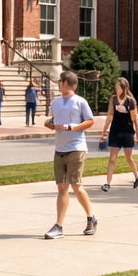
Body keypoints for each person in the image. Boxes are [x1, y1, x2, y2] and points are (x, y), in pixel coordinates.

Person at [44, 69, 97, 239]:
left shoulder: (80, 102)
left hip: (77, 148)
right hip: (59, 149)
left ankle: (91, 218)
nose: (59, 84)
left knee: (76, 186)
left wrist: (70, 127)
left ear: (65, 83)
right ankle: (59, 226)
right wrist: (50, 124)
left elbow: (90, 121)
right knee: (62, 187)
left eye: (60, 81)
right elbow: (53, 120)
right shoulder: (56, 102)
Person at [100, 77, 138, 191]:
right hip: (115, 132)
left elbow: (135, 120)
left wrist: (137, 135)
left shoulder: (131, 101)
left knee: (129, 158)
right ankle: (107, 183)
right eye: (116, 87)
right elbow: (109, 115)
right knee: (112, 158)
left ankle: (137, 177)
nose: (116, 89)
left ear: (124, 88)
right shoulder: (113, 100)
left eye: (118, 87)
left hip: (127, 132)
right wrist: (104, 131)